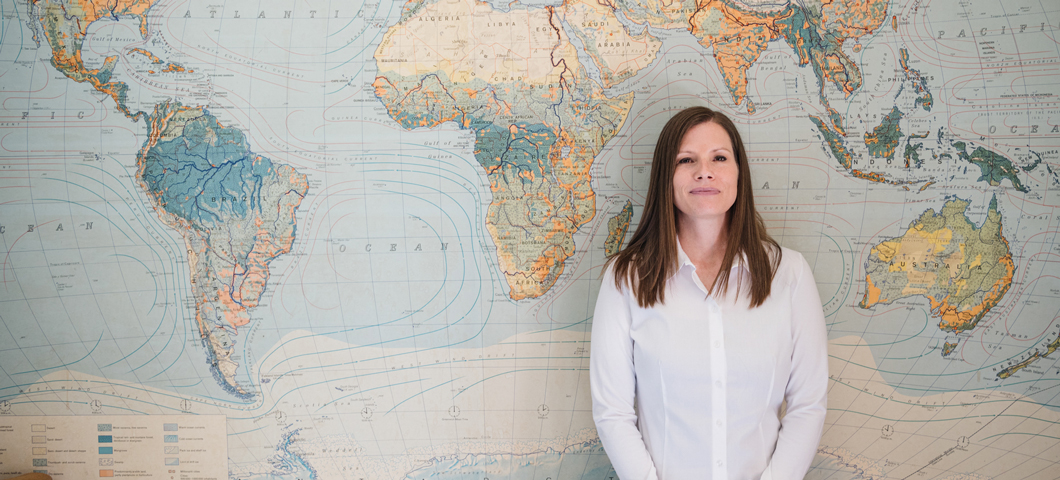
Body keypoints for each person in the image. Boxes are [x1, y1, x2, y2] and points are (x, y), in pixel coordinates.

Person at [590, 106, 828, 479]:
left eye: (719, 157)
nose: (705, 171)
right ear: (665, 178)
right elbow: (613, 413)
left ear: (738, 173)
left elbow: (808, 404)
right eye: (687, 160)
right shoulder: (627, 280)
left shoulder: (790, 275)